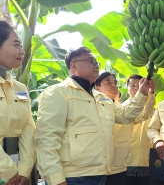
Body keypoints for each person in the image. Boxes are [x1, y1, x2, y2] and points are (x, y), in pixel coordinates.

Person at [34, 47, 151, 185]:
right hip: (73, 177)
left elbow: (125, 116)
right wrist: (55, 179)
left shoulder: (102, 98)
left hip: (101, 175)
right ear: (73, 65)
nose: (96, 65)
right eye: (91, 60)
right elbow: (46, 139)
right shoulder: (58, 92)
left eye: (96, 62)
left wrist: (142, 93)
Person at [95, 73, 155, 185]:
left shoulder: (119, 108)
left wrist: (150, 95)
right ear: (97, 88)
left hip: (120, 163)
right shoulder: (97, 106)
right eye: (108, 82)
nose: (113, 85)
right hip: (104, 162)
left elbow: (142, 116)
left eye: (115, 83)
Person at [0, 20, 36, 185]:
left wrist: (24, 168)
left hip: (18, 174)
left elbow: (29, 128)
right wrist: (8, 170)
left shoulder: (20, 88)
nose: (22, 51)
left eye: (21, 46)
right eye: (16, 45)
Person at [125, 75, 155, 185]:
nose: (136, 88)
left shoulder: (153, 110)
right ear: (127, 87)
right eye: (132, 86)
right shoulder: (122, 109)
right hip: (125, 163)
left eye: (140, 85)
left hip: (148, 163)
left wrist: (150, 95)